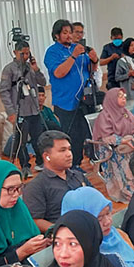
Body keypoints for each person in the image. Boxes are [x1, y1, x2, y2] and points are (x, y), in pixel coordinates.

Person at [61, 187, 134, 267]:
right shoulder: (82, 257)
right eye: (99, 218)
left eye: (108, 213)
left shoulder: (118, 235)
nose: (107, 222)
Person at [44, 19, 99, 170]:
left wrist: (94, 60)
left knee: (85, 133)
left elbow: (91, 70)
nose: (69, 35)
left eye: (70, 32)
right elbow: (59, 73)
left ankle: (84, 161)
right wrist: (73, 56)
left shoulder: (78, 48)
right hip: (65, 101)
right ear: (57, 35)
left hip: (84, 100)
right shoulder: (52, 52)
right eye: (65, 33)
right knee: (70, 136)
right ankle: (71, 166)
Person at [22, 131, 91, 231]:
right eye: (62, 150)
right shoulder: (36, 186)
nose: (69, 154)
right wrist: (62, 231)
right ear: (47, 156)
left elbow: (94, 200)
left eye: (69, 149)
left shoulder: (78, 176)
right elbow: (35, 220)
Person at [0, 40, 48, 176]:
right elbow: (4, 91)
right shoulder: (9, 69)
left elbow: (43, 82)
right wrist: (10, 111)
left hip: (34, 109)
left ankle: (40, 162)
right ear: (15, 52)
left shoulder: (31, 67)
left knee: (38, 138)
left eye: (27, 53)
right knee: (22, 140)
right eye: (22, 53)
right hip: (20, 110)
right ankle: (25, 166)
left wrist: (36, 69)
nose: (25, 56)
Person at [91, 88, 134, 202]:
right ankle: (128, 190)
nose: (123, 98)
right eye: (120, 96)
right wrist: (122, 140)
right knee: (124, 157)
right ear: (112, 99)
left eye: (124, 96)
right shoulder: (104, 116)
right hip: (110, 149)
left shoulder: (126, 113)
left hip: (129, 145)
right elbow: (106, 137)